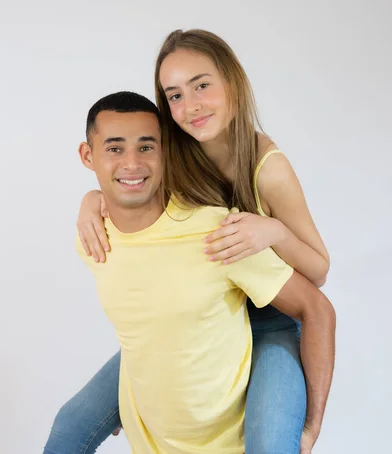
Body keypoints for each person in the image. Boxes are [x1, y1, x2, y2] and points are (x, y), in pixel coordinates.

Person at [46, 29, 334, 454]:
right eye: (175, 95)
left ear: (231, 82)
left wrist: (273, 231)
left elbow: (319, 273)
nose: (190, 105)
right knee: (72, 426)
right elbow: (131, 184)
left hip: (269, 319)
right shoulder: (175, 150)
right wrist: (92, 200)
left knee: (273, 443)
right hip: (203, 322)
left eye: (202, 85)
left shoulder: (267, 166)